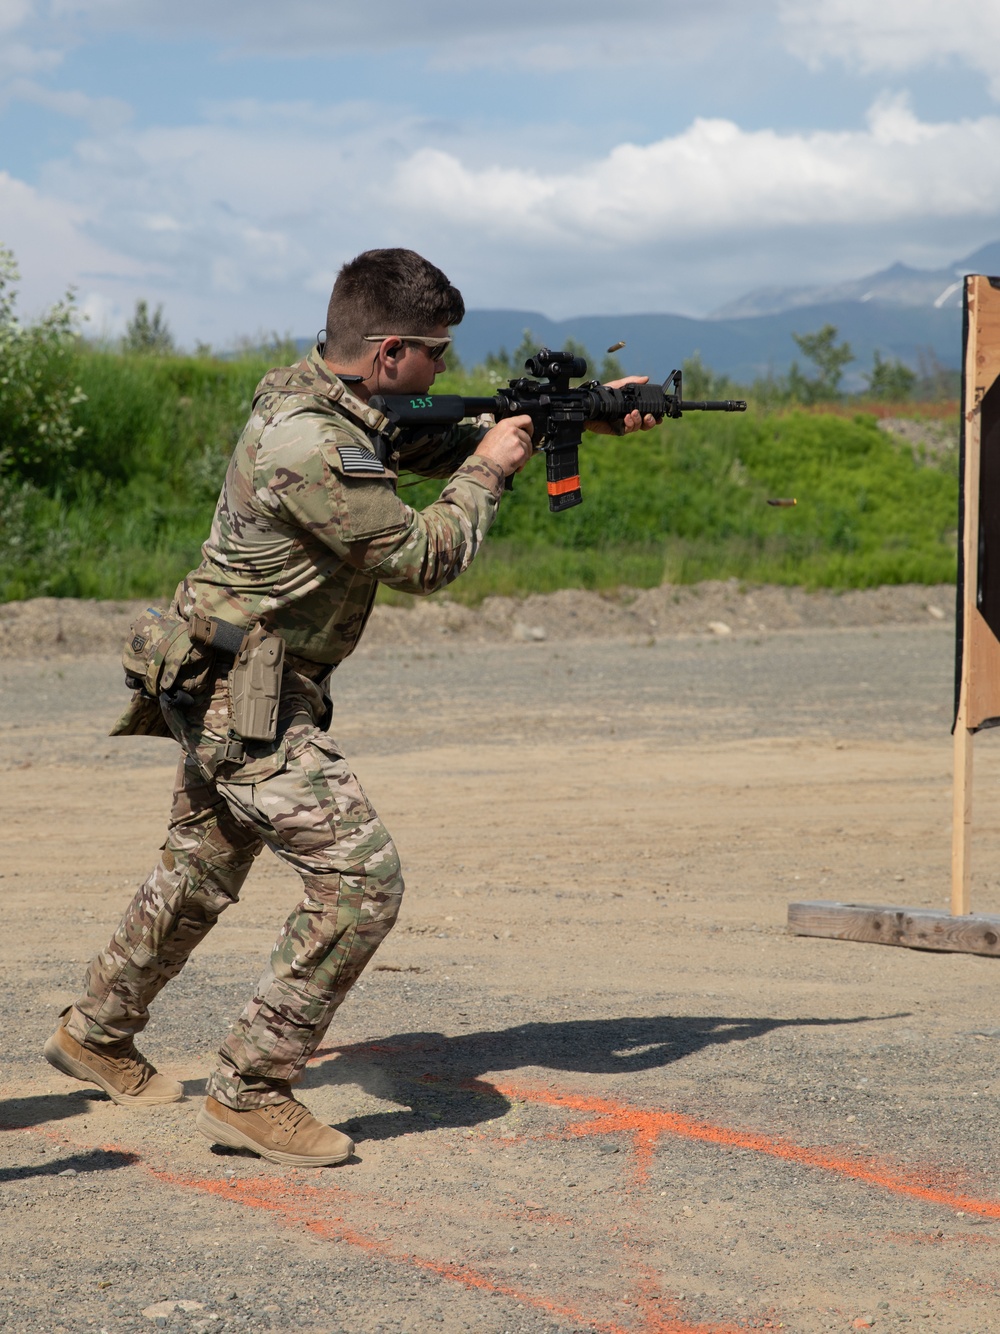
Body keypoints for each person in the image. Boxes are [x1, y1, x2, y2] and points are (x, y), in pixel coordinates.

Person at [43, 248, 656, 1168]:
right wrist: (491, 468)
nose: (446, 371)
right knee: (363, 881)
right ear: (388, 353)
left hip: (227, 672)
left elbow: (415, 435)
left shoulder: (327, 397)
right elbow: (421, 556)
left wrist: (578, 413)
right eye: (436, 355)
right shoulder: (311, 443)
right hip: (239, 694)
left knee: (203, 869)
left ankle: (95, 1031)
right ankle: (251, 1089)